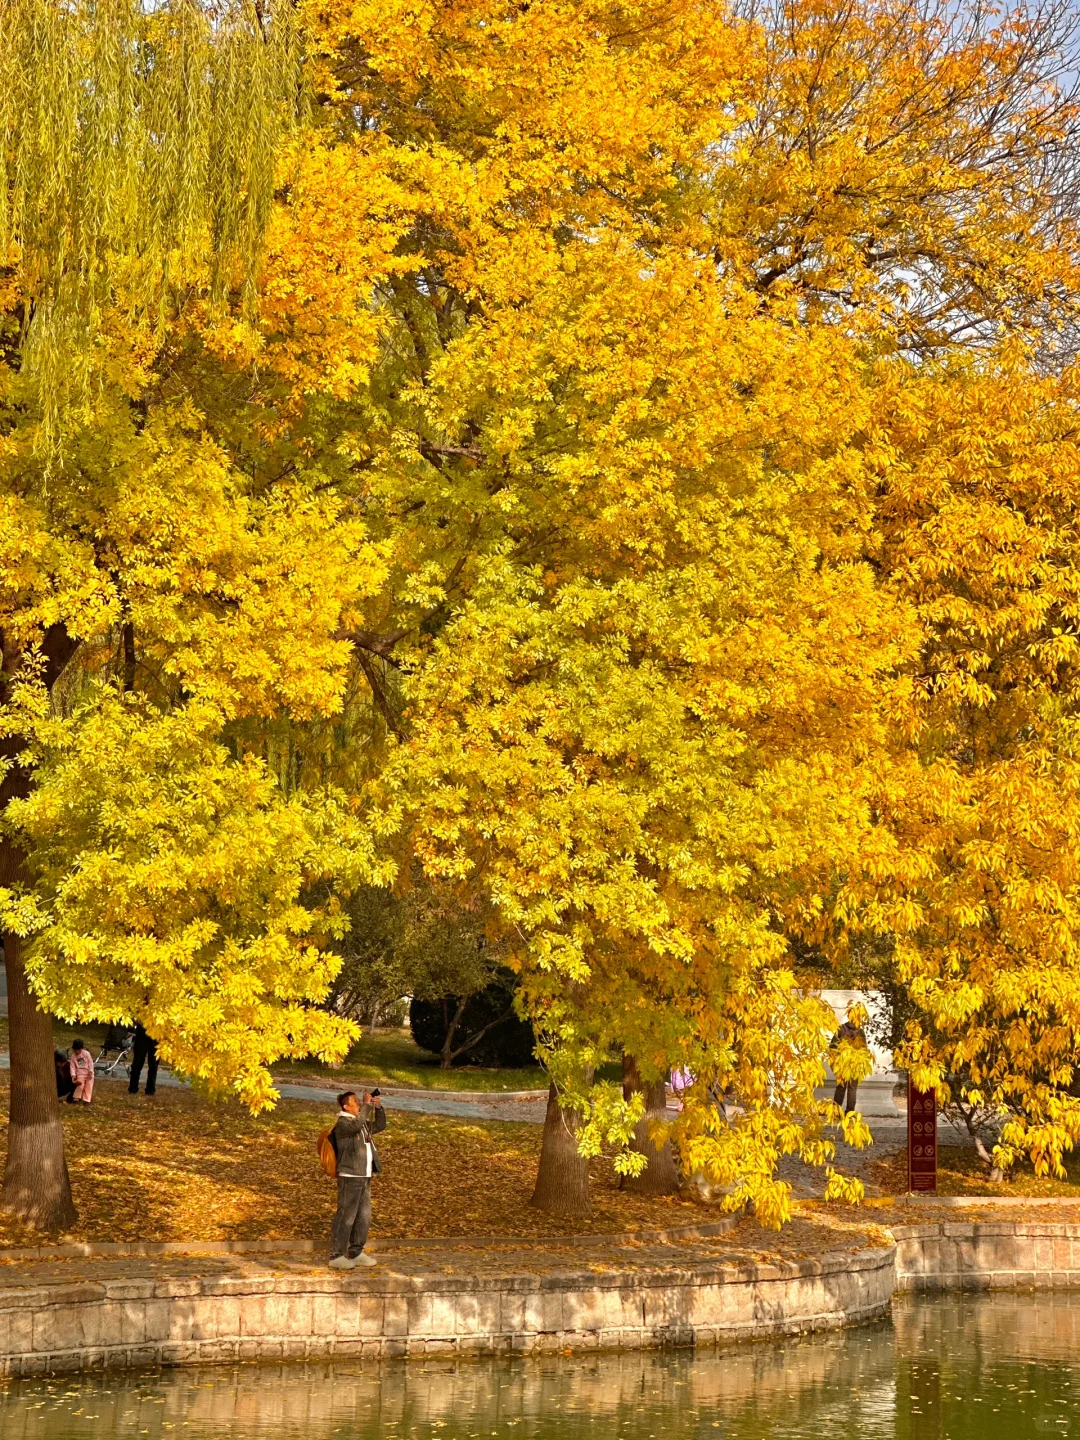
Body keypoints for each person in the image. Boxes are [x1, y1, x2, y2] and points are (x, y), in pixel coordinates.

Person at [328, 1090, 386, 1270]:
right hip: (350, 1176)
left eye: (359, 1101)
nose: (359, 1103)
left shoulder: (361, 1122)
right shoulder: (343, 1123)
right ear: (346, 1106)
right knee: (346, 1216)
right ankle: (336, 1255)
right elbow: (357, 1124)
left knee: (363, 1216)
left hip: (364, 1174)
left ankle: (356, 1252)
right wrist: (367, 1105)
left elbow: (380, 1125)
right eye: (355, 1102)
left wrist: (378, 1107)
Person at [831, 1014, 869, 1115]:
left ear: (849, 1016)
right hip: (855, 1063)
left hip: (842, 1062)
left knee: (840, 1087)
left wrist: (835, 1061)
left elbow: (832, 1046)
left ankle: (835, 1112)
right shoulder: (860, 1031)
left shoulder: (840, 1029)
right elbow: (864, 1049)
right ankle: (850, 1112)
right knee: (852, 1088)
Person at [128, 1022, 159, 1097]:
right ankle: (133, 1089)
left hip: (156, 1036)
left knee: (153, 1065)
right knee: (137, 1064)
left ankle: (150, 1090)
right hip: (142, 1035)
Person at [68, 1039, 94, 1104]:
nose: (77, 1052)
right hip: (80, 1073)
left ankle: (86, 1100)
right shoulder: (73, 1057)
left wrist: (91, 1071)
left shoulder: (86, 1054)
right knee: (80, 1086)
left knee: (88, 1086)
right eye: (75, 1050)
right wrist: (73, 1075)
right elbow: (72, 1066)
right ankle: (76, 1098)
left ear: (81, 1049)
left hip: (88, 1073)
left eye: (78, 1050)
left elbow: (90, 1063)